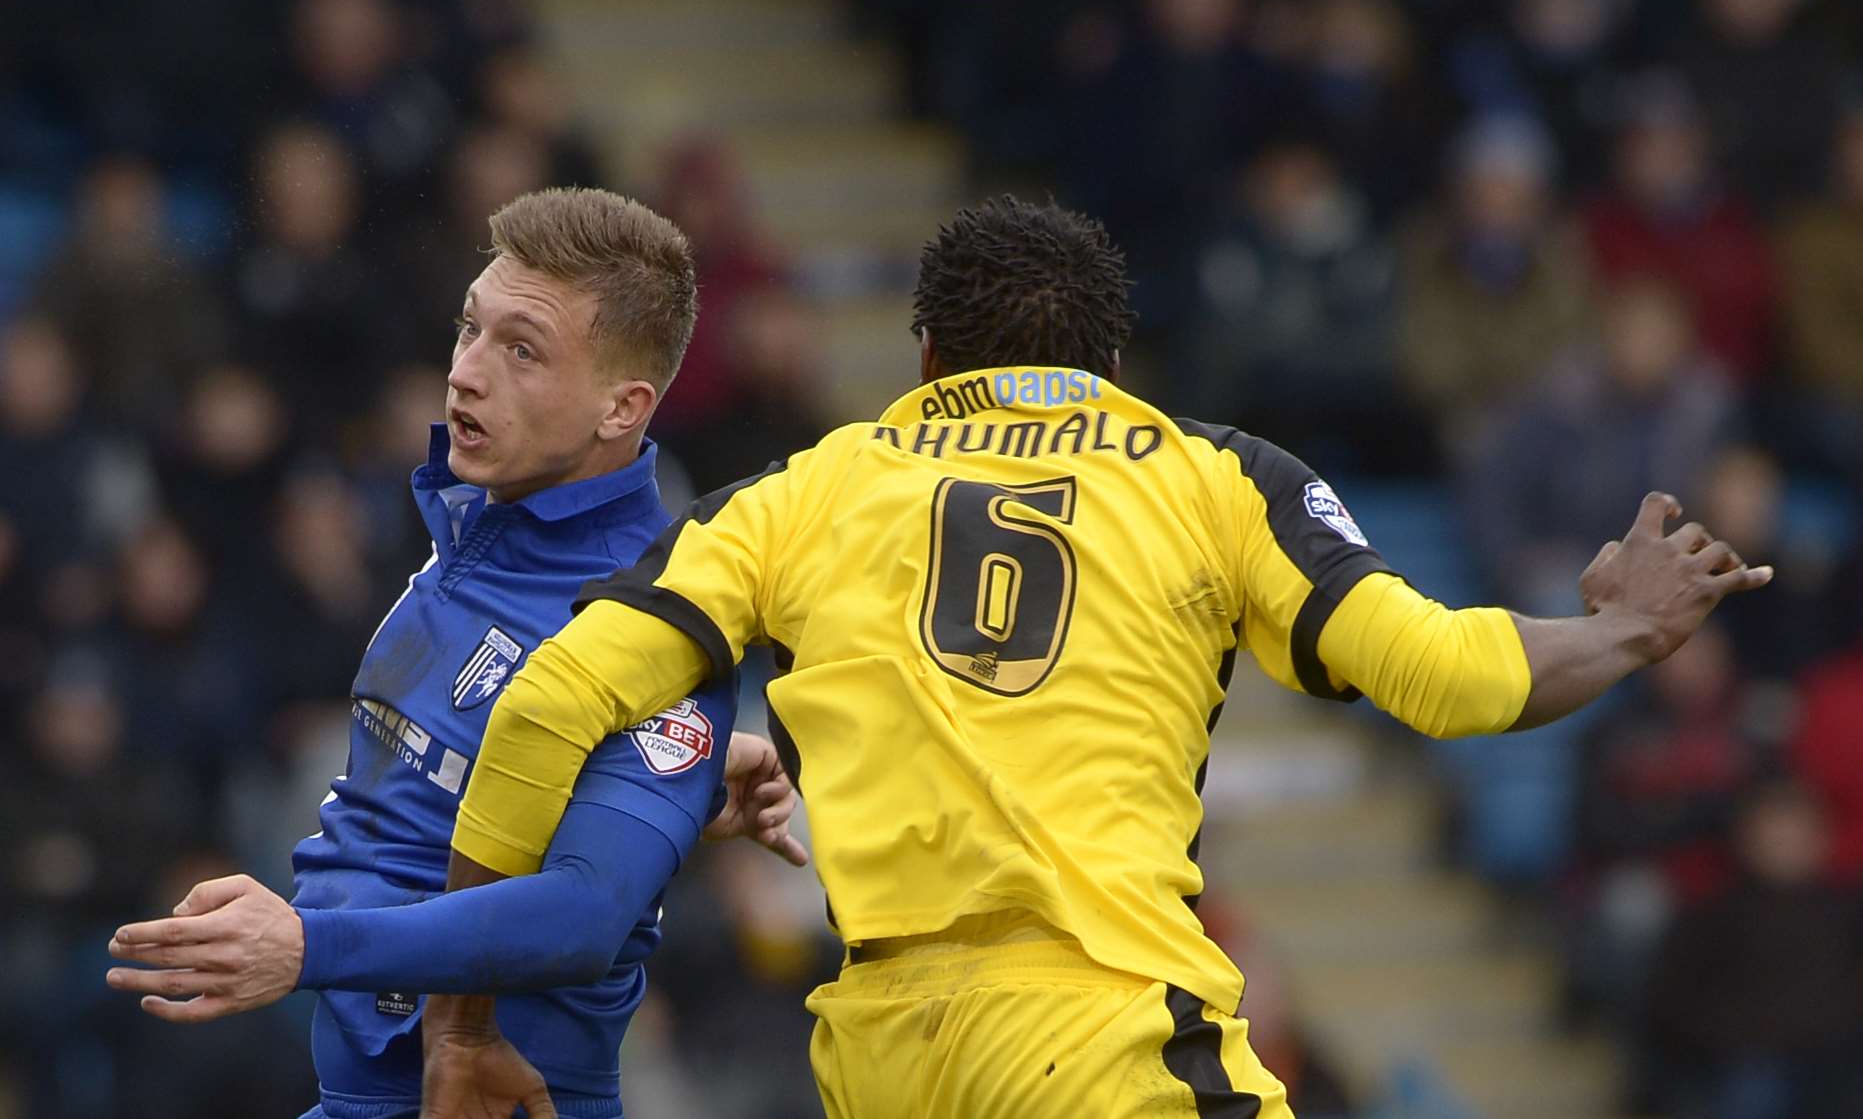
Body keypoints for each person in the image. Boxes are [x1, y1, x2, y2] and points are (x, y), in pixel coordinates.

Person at [426, 196, 1770, 1119]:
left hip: (881, 1050)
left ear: (927, 357)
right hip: (1098, 1036)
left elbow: (540, 708)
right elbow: (1452, 678)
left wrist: (465, 1032)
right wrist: (1622, 625)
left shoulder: (801, 491)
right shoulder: (1209, 474)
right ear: (1114, 360)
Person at [102, 188, 804, 1119]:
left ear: (619, 405)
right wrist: (684, 785)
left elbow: (585, 915)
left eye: (522, 350)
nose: (467, 374)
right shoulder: (477, 520)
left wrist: (307, 945)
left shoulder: (649, 613)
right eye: (469, 329)